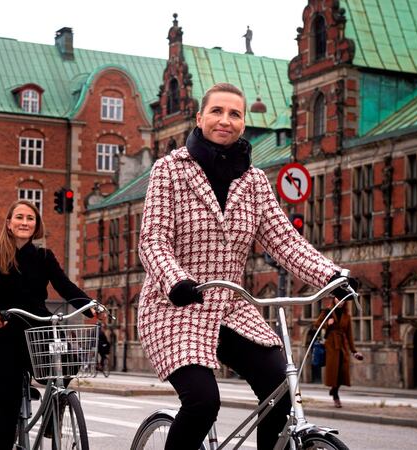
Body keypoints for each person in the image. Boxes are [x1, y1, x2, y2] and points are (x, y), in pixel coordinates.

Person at [137, 82, 357, 450]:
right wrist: (176, 281)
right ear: (200, 118)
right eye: (217, 112)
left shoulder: (254, 180)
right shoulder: (169, 170)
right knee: (203, 402)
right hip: (174, 307)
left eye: (235, 114)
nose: (225, 120)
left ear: (243, 123)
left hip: (232, 307)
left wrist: (331, 276)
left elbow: (284, 240)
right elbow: (153, 240)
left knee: (281, 390)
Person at [0, 199, 92, 449]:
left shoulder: (43, 256)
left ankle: (53, 414)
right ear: (8, 223)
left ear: (36, 225)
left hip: (38, 328)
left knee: (70, 359)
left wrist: (90, 305)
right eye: (19, 217)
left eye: (30, 218)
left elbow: (63, 285)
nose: (24, 222)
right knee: (10, 399)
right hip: (5, 330)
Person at [313, 298, 363, 408]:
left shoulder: (347, 315)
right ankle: (336, 396)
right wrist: (327, 324)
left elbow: (349, 334)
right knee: (334, 371)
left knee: (343, 371)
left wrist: (354, 351)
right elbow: (316, 324)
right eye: (338, 299)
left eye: (343, 300)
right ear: (334, 299)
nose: (340, 301)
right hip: (331, 345)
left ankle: (333, 390)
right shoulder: (327, 311)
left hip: (343, 345)